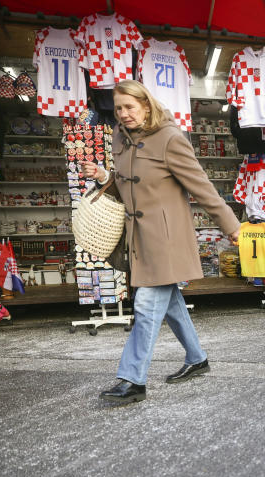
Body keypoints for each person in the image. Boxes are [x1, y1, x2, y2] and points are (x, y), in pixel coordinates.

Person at [80, 80, 240, 406]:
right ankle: (197, 358)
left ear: (147, 105)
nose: (123, 114)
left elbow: (202, 187)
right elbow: (127, 188)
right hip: (138, 238)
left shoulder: (170, 138)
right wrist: (103, 177)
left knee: (145, 305)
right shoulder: (119, 138)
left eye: (130, 107)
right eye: (118, 108)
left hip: (166, 239)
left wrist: (231, 226)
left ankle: (131, 379)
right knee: (170, 304)